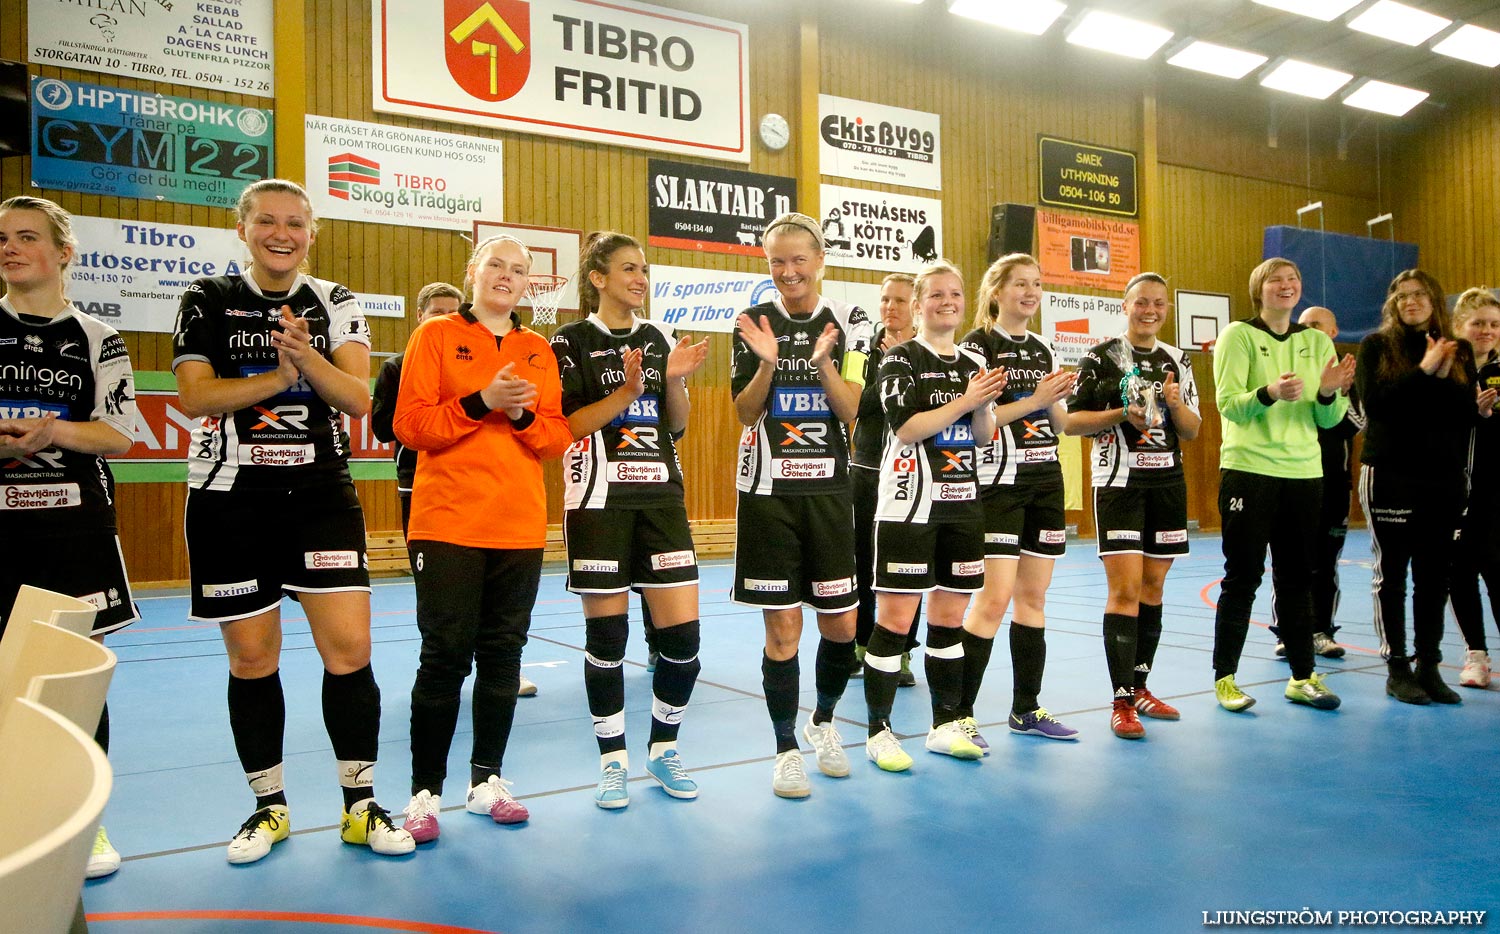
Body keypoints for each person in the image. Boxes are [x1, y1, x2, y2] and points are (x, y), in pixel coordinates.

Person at [172, 179, 413, 863]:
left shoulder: (334, 301)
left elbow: (358, 398)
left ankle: (361, 806)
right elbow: (195, 397)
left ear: (312, 233)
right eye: (269, 222)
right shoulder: (208, 299)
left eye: (297, 224)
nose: (283, 233)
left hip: (319, 498)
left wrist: (304, 357)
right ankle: (268, 807)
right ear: (243, 228)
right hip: (230, 499)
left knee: (351, 652)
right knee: (253, 659)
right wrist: (278, 381)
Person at [394, 234, 572, 841]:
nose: (506, 276)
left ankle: (487, 780)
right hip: (447, 523)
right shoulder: (436, 335)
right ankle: (424, 793)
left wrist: (519, 414)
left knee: (503, 655)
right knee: (444, 656)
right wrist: (480, 400)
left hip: (519, 526)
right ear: (473, 272)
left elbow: (554, 440)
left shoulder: (538, 350)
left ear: (528, 285)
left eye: (518, 270)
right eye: (495, 264)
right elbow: (411, 425)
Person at [0, 196, 138, 878]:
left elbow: (119, 433)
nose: (10, 247)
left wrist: (51, 432)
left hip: (73, 531)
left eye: (27, 237)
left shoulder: (96, 337)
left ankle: (86, 822)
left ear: (63, 253)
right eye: (2, 238)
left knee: (74, 684)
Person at [550, 232, 711, 808]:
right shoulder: (568, 341)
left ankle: (663, 747)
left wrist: (670, 381)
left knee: (684, 642)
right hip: (598, 500)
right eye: (628, 269)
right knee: (609, 639)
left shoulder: (659, 337)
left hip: (661, 501)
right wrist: (625, 391)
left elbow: (677, 426)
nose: (640, 279)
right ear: (597, 277)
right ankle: (613, 760)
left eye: (644, 269)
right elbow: (567, 424)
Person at [732, 212, 872, 799]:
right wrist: (767, 361)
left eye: (798, 260)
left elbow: (851, 409)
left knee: (841, 626)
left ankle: (825, 723)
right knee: (784, 628)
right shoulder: (751, 320)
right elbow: (744, 413)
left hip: (830, 495)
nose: (788, 271)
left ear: (820, 261)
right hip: (770, 496)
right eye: (776, 262)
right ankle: (786, 747)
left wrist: (821, 363)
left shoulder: (852, 324)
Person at [863, 261, 1003, 770]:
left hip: (962, 505)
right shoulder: (899, 360)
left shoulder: (971, 362)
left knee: (949, 619)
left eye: (956, 294)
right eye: (937, 294)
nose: (948, 301)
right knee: (896, 621)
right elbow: (907, 427)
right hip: (908, 507)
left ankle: (943, 724)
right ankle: (878, 732)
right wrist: (967, 399)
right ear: (919, 304)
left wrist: (983, 405)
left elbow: (983, 436)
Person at [371, 287, 541, 691]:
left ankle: (499, 666)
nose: (444, 318)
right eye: (436, 312)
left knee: (497, 598)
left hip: (488, 491)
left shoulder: (489, 358)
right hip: (423, 487)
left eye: (451, 311)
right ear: (419, 316)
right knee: (443, 595)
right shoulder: (398, 366)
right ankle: (446, 658)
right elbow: (384, 428)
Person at [1211, 257, 1354, 713]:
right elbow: (1229, 405)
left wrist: (1329, 392)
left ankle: (1302, 676)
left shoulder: (1316, 341)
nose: (1286, 285)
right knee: (1243, 578)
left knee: (1297, 579)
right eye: (1277, 279)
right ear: (1260, 288)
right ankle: (1226, 679)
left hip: (1304, 474)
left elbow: (1328, 419)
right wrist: (1270, 393)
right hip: (1249, 471)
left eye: (1293, 279)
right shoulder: (1239, 335)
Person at [1066, 272, 1200, 739]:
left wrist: (1173, 403)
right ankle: (1122, 701)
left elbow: (1191, 429)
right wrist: (1122, 412)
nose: (1150, 310)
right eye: (1141, 301)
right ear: (1125, 306)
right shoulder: (1101, 358)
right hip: (1119, 483)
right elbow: (1071, 422)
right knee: (1124, 590)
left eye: (1159, 303)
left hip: (1167, 484)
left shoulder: (1177, 360)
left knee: (1153, 588)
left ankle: (1142, 687)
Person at [958, 253, 1078, 747]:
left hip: (1045, 479)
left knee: (1033, 598)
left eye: (1037, 284)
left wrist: (1057, 396)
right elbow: (976, 426)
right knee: (993, 597)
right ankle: (958, 714)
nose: (1030, 292)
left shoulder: (1045, 346)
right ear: (996, 291)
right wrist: (1032, 400)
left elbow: (1062, 424)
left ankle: (1026, 708)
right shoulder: (977, 347)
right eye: (1020, 284)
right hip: (998, 482)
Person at [1356, 270, 1489, 705]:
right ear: (1392, 303)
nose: (1409, 302)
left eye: (1418, 295)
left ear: (1435, 300)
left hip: (1444, 479)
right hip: (1392, 475)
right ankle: (1397, 667)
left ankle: (1429, 666)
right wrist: (1425, 371)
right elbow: (1377, 406)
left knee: (1435, 577)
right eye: (1401, 295)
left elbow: (1456, 416)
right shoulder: (1376, 347)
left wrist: (1464, 401)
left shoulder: (1460, 349)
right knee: (1392, 575)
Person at [1269, 307, 1363, 661]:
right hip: (1290, 477)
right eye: (1304, 325)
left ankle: (1322, 629)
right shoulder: (1289, 366)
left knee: (1325, 561)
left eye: (1316, 325)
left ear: (1334, 330)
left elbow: (1353, 423)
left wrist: (1328, 394)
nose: (1308, 330)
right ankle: (1287, 633)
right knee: (1288, 558)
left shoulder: (1348, 371)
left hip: (1334, 484)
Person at [851, 273, 920, 685]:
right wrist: (887, 372)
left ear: (916, 305)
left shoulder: (924, 350)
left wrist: (902, 365)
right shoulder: (863, 350)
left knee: (907, 564)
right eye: (884, 300)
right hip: (866, 468)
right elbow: (856, 402)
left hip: (911, 473)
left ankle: (902, 651)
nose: (890, 307)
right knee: (861, 560)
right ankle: (861, 645)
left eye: (899, 300)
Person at [1451, 287, 1500, 689]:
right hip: (1452, 492)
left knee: (1497, 569)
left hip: (1495, 491)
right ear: (1459, 327)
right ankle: (1476, 655)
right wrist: (1472, 413)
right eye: (1478, 323)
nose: (1486, 331)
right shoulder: (1446, 371)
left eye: (1494, 324)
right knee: (1461, 572)